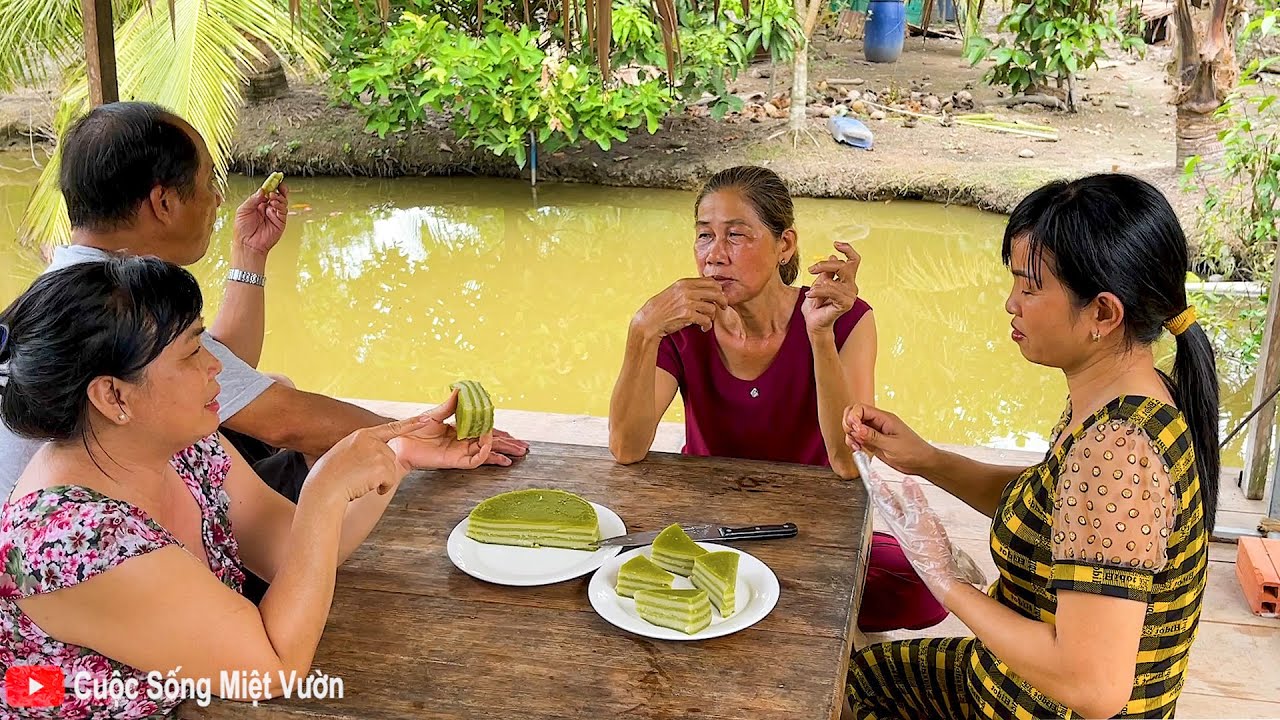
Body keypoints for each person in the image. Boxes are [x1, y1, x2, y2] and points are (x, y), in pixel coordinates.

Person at [0, 102, 528, 600]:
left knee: (283, 407)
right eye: (210, 183)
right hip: (82, 596)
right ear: (163, 202)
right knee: (309, 442)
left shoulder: (70, 294)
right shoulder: (116, 315)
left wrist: (249, 254)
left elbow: (227, 367)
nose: (217, 200)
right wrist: (420, 433)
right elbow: (288, 422)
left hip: (94, 542)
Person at [0, 257, 499, 718]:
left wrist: (398, 455)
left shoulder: (174, 445)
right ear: (113, 395)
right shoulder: (69, 540)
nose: (215, 366)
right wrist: (324, 490)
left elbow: (294, 551)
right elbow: (268, 671)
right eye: (193, 352)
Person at [842, 173, 1218, 719]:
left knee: (839, 690)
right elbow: (1048, 512)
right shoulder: (1121, 397)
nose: (1010, 304)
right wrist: (926, 459)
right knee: (862, 678)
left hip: (1041, 703)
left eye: (1030, 287)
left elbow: (1092, 686)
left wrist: (944, 580)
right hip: (1005, 682)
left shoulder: (1117, 455)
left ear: (1103, 314)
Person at [608, 165, 946, 633]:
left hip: (809, 526)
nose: (715, 256)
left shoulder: (846, 319)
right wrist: (641, 329)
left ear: (784, 244)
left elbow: (847, 463)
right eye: (704, 236)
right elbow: (627, 448)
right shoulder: (683, 326)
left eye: (737, 235)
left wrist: (820, 335)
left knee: (926, 588)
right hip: (710, 527)